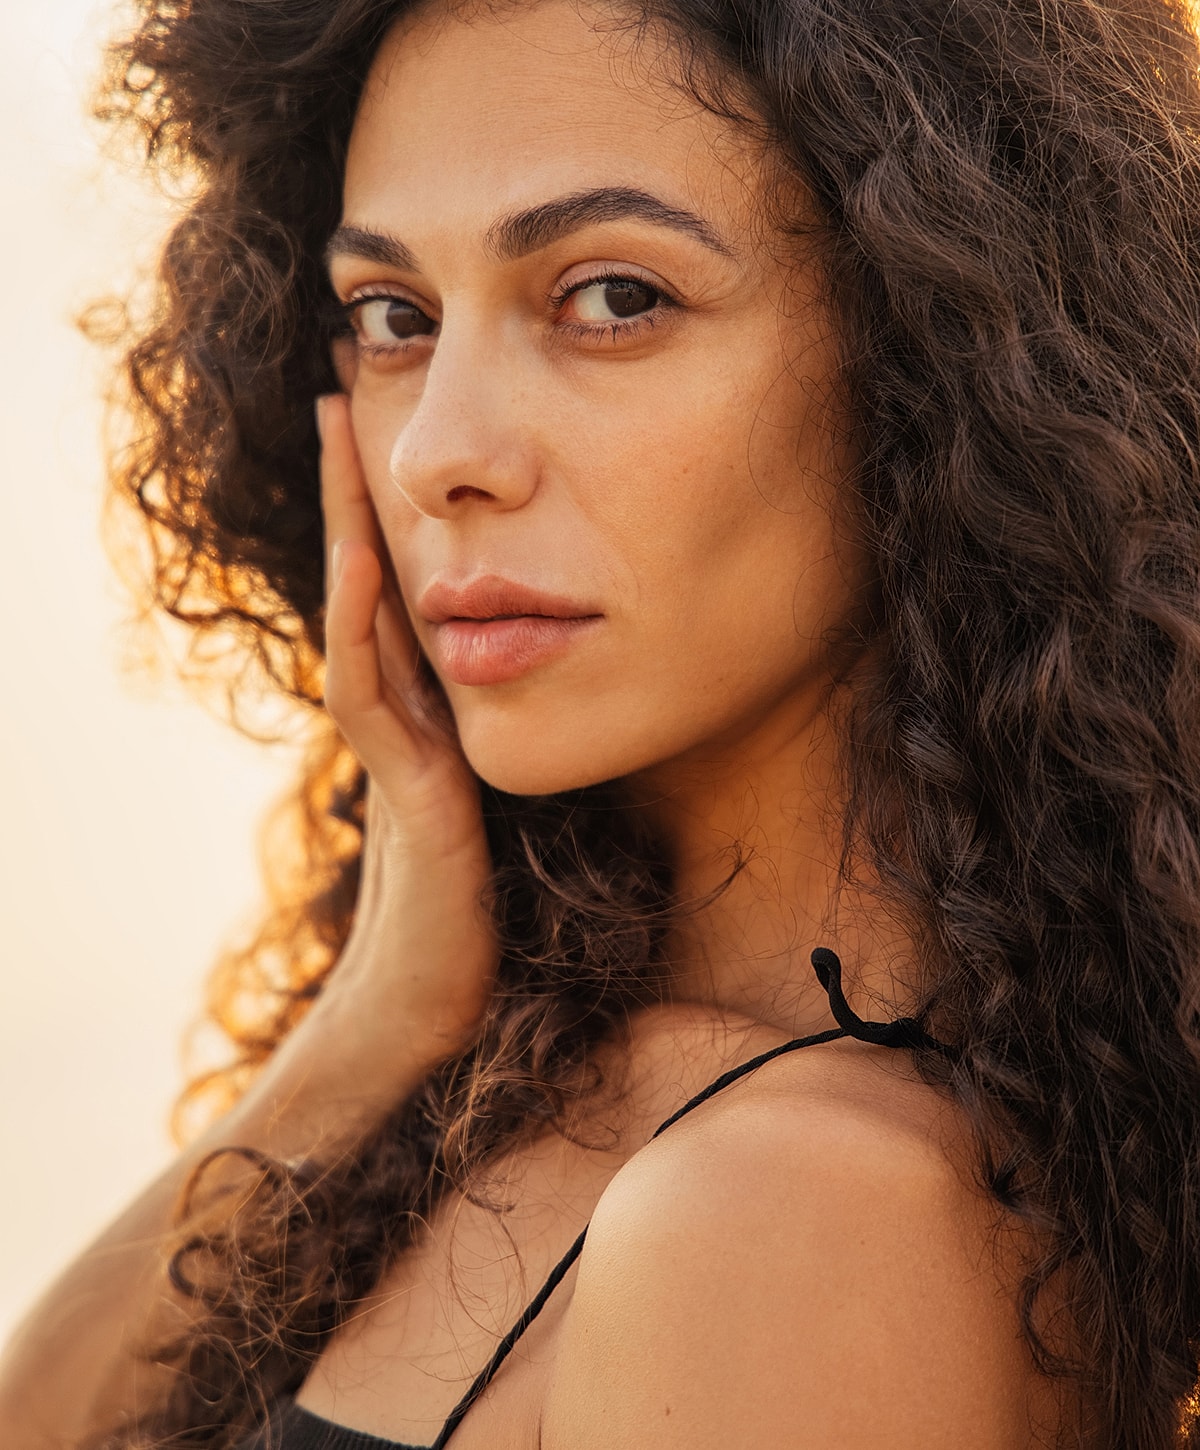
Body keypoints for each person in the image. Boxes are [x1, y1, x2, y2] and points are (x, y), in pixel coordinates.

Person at [4, 0, 1200, 1443]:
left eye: (613, 298)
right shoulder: (515, 1062)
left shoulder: (795, 1217)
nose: (438, 451)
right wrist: (379, 1018)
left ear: (929, 353)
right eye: (392, 318)